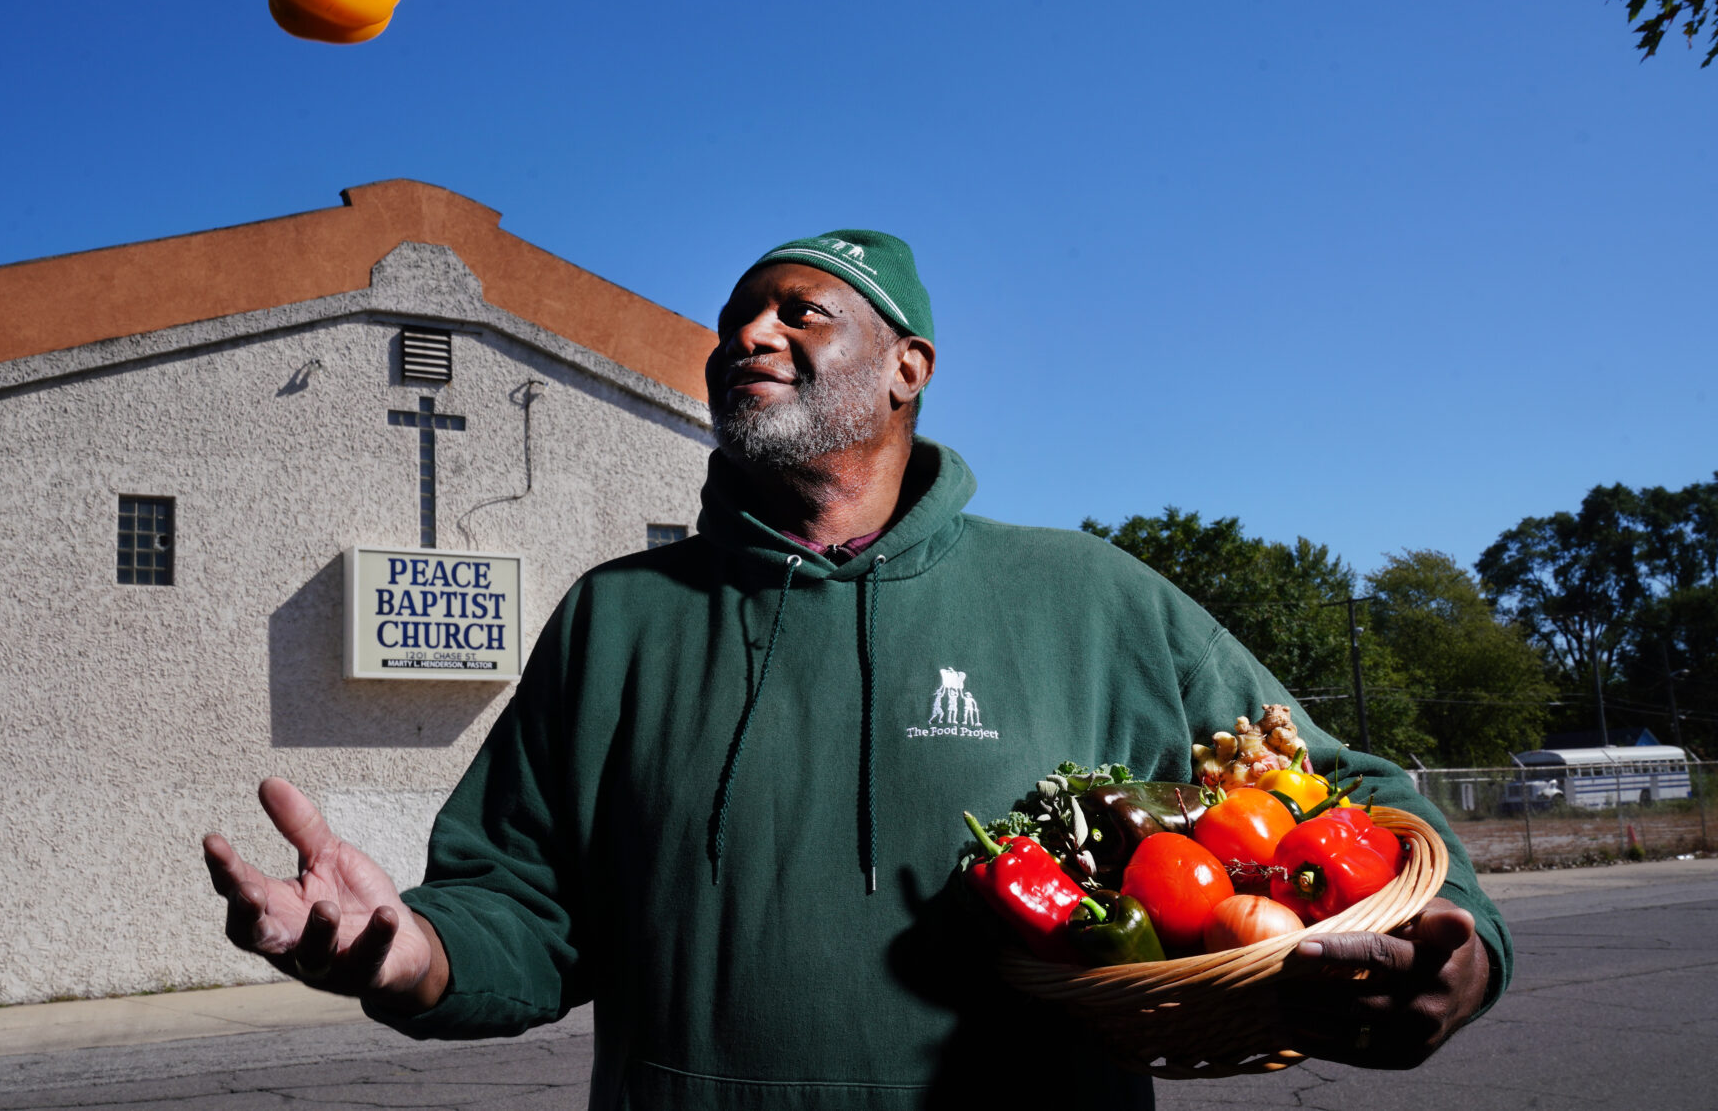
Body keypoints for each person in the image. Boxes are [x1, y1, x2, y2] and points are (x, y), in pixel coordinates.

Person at [204, 230, 1505, 1108]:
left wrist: (1469, 949)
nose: (747, 337)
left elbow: (1338, 789)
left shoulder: (1086, 596)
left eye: (796, 311)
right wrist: (405, 949)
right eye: (733, 322)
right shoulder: (621, 621)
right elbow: (523, 909)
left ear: (908, 371)